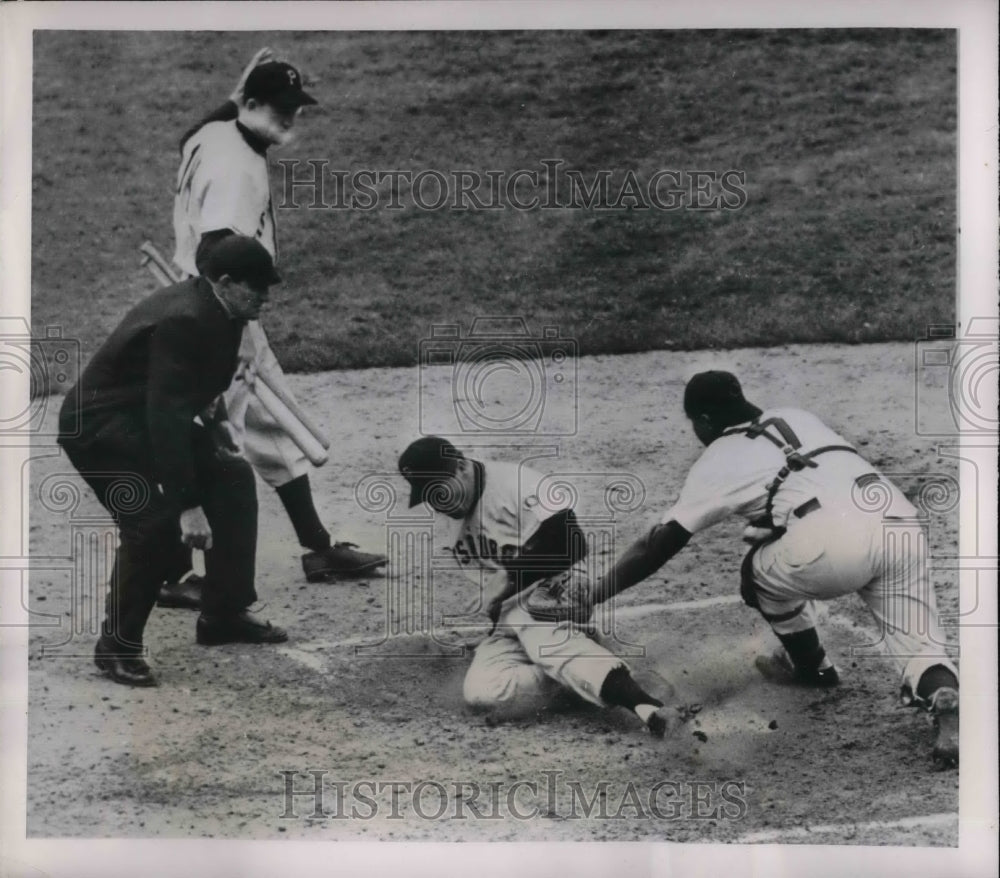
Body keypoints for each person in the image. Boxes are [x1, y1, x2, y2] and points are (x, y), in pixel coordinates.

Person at [584, 370, 960, 767]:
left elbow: (658, 544)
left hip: (832, 544)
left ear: (706, 421)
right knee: (921, 646)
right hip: (899, 520)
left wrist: (595, 593)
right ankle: (941, 696)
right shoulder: (796, 417)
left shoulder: (719, 457)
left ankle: (812, 667)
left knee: (756, 576)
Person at [160, 48, 386, 610]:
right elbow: (219, 253)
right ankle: (171, 570)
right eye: (277, 107)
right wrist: (234, 339)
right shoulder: (235, 169)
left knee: (268, 423)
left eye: (295, 106)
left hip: (216, 305)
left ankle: (317, 546)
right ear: (252, 104)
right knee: (217, 437)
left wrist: (236, 96)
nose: (289, 116)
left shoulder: (215, 134)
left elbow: (194, 128)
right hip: (218, 313)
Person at [58, 237, 290, 688]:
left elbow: (193, 388)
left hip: (141, 415)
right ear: (224, 282)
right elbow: (165, 416)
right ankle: (117, 648)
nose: (265, 295)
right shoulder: (187, 318)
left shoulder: (225, 310)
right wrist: (186, 504)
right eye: (255, 287)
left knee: (233, 477)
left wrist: (218, 423)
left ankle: (222, 612)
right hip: (100, 428)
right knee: (152, 524)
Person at [397, 436, 694, 738]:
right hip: (513, 612)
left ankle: (649, 707)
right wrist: (495, 614)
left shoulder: (519, 484)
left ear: (460, 467)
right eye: (429, 496)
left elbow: (572, 543)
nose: (438, 502)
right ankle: (600, 677)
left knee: (541, 639)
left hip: (553, 592)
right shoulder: (450, 517)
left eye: (441, 489)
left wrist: (511, 576)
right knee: (483, 693)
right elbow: (492, 583)